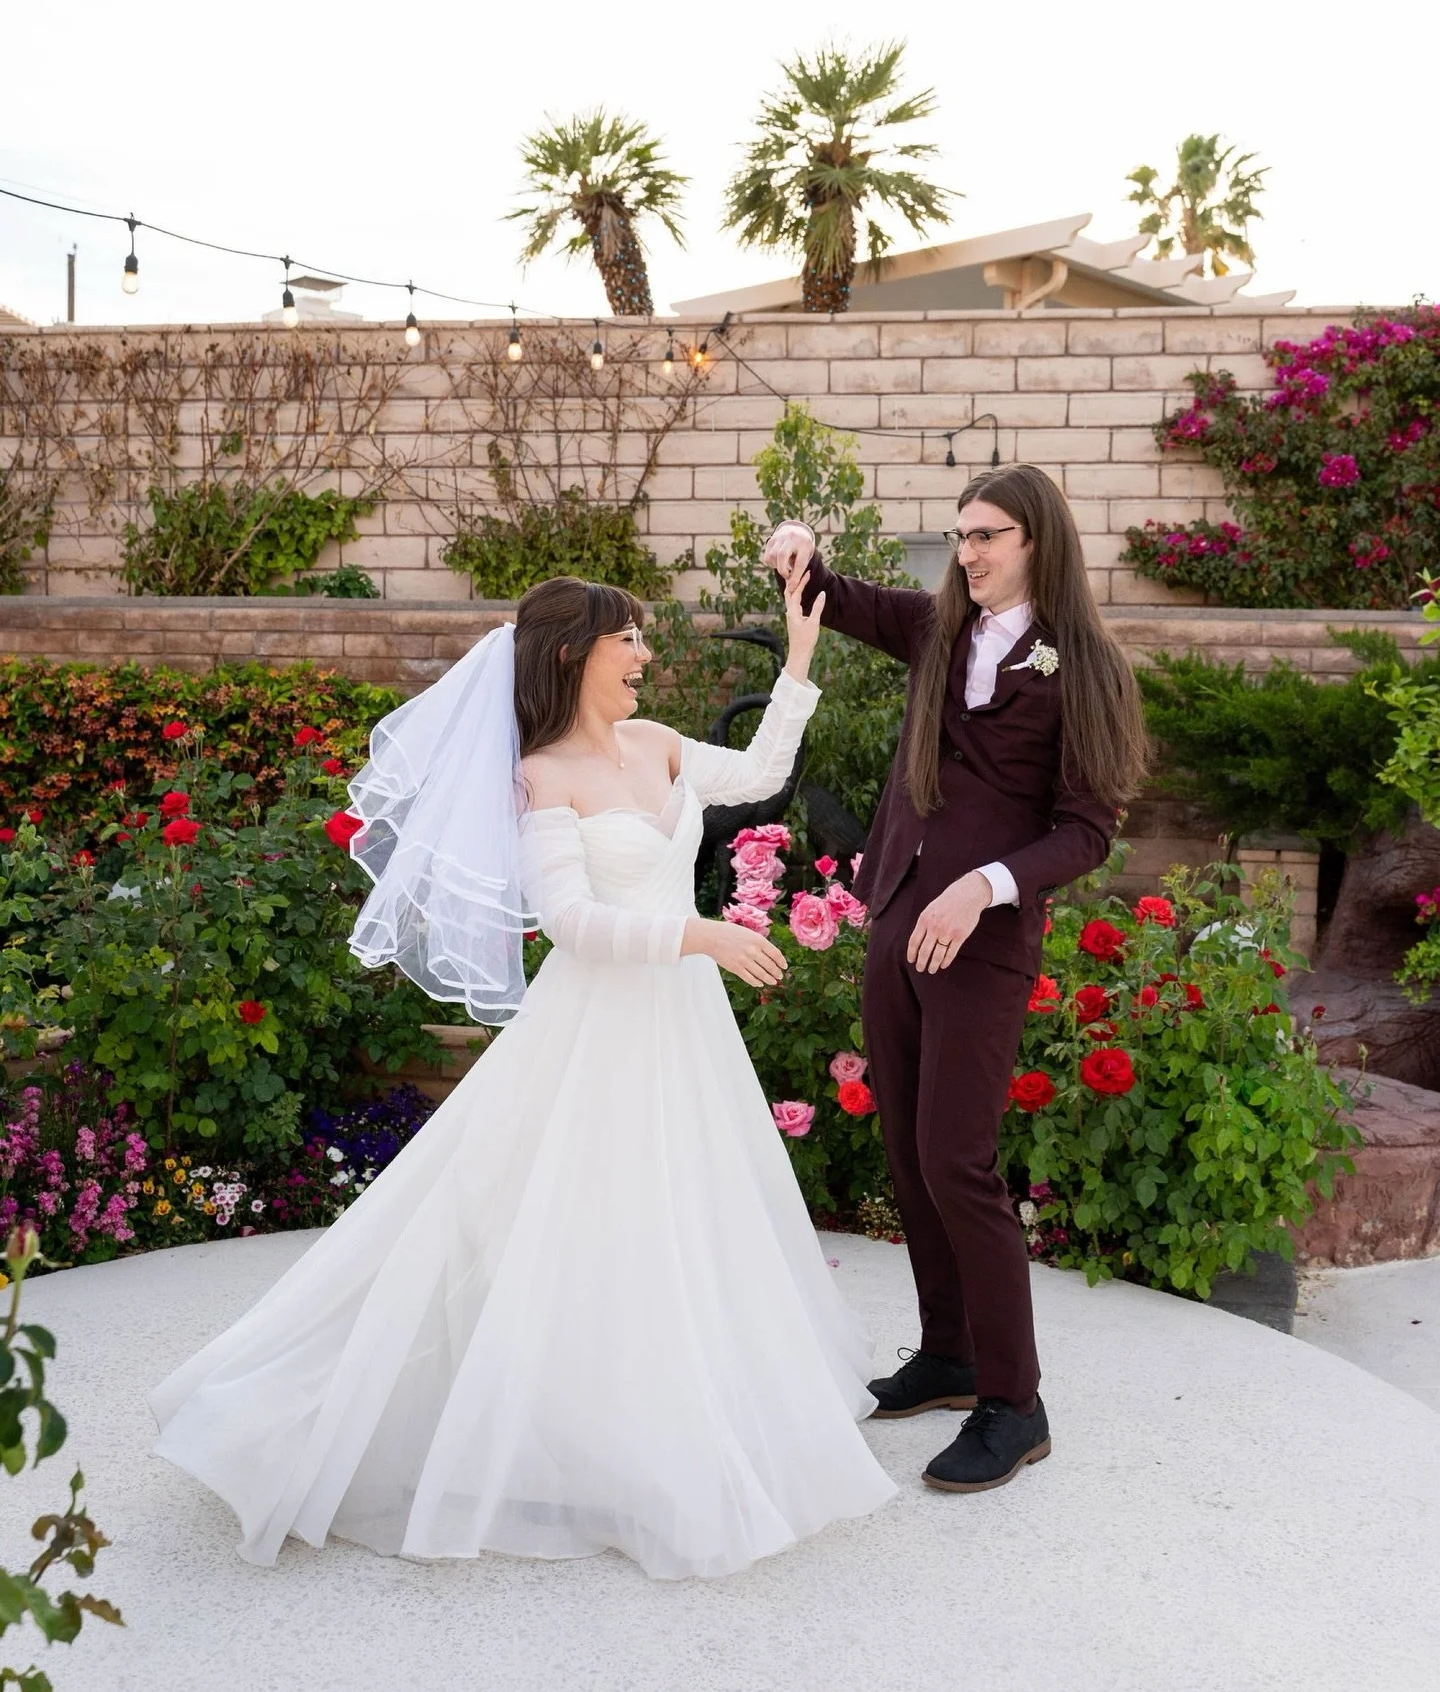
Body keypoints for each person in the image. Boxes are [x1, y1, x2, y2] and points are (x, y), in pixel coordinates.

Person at [148, 574, 895, 1580]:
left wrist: (801, 658)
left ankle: (662, 1407)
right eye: (626, 640)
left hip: (681, 1025)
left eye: (641, 639)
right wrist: (700, 933)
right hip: (599, 1027)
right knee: (566, 1219)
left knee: (682, 1214)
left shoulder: (661, 743)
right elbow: (572, 924)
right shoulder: (543, 775)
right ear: (570, 656)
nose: (643, 655)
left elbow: (763, 768)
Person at [763, 464, 1147, 1495]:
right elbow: (828, 592)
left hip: (981, 937)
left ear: (1037, 543)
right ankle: (949, 1353)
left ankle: (1015, 1403)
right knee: (906, 1147)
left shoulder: (1086, 668)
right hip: (897, 915)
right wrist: (796, 537)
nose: (968, 553)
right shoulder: (939, 631)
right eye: (961, 535)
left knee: (959, 1159)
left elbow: (1087, 831)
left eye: (988, 537)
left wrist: (984, 887)